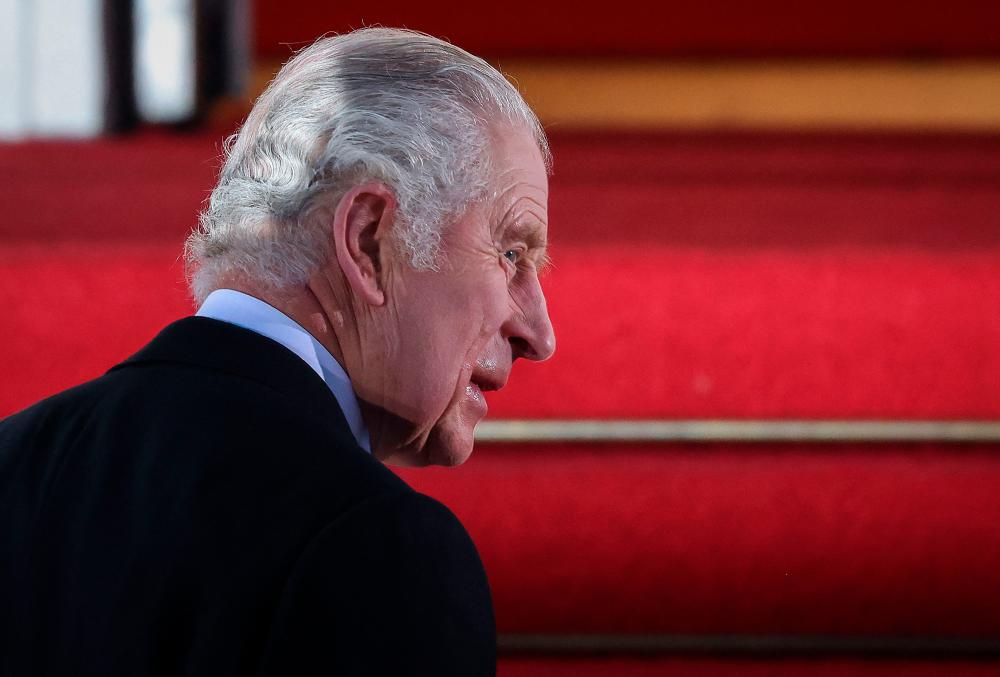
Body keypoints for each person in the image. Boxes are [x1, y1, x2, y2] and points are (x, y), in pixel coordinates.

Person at [0, 28, 554, 676]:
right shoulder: (380, 556)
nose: (539, 333)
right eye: (512, 253)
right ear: (370, 241)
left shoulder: (13, 461)